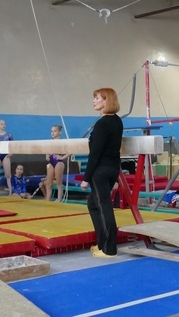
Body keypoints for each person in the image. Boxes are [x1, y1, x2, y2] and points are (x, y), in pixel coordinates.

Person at [80, 88, 123, 259]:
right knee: (93, 203)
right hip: (112, 168)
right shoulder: (117, 121)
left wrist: (86, 178)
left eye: (97, 98)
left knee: (104, 205)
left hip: (100, 170)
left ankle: (109, 249)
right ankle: (101, 242)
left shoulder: (102, 123)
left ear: (107, 101)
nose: (94, 101)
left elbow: (95, 154)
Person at [43, 125, 70, 202]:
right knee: (48, 183)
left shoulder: (63, 142)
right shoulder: (50, 141)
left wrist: (63, 157)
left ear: (60, 132)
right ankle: (48, 200)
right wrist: (47, 155)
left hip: (59, 162)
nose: (52, 133)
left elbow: (71, 151)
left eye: (55, 131)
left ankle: (59, 201)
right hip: (51, 162)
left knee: (58, 183)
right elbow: (47, 150)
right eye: (51, 131)